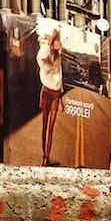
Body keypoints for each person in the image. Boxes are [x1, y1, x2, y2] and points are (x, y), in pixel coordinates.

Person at [37, 24, 63, 166]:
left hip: (56, 94)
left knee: (51, 127)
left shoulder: (59, 57)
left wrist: (62, 96)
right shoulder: (43, 55)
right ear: (53, 43)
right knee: (44, 124)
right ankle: (44, 157)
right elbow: (42, 57)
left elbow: (60, 76)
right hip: (46, 91)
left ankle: (47, 157)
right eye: (58, 40)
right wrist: (51, 37)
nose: (61, 43)